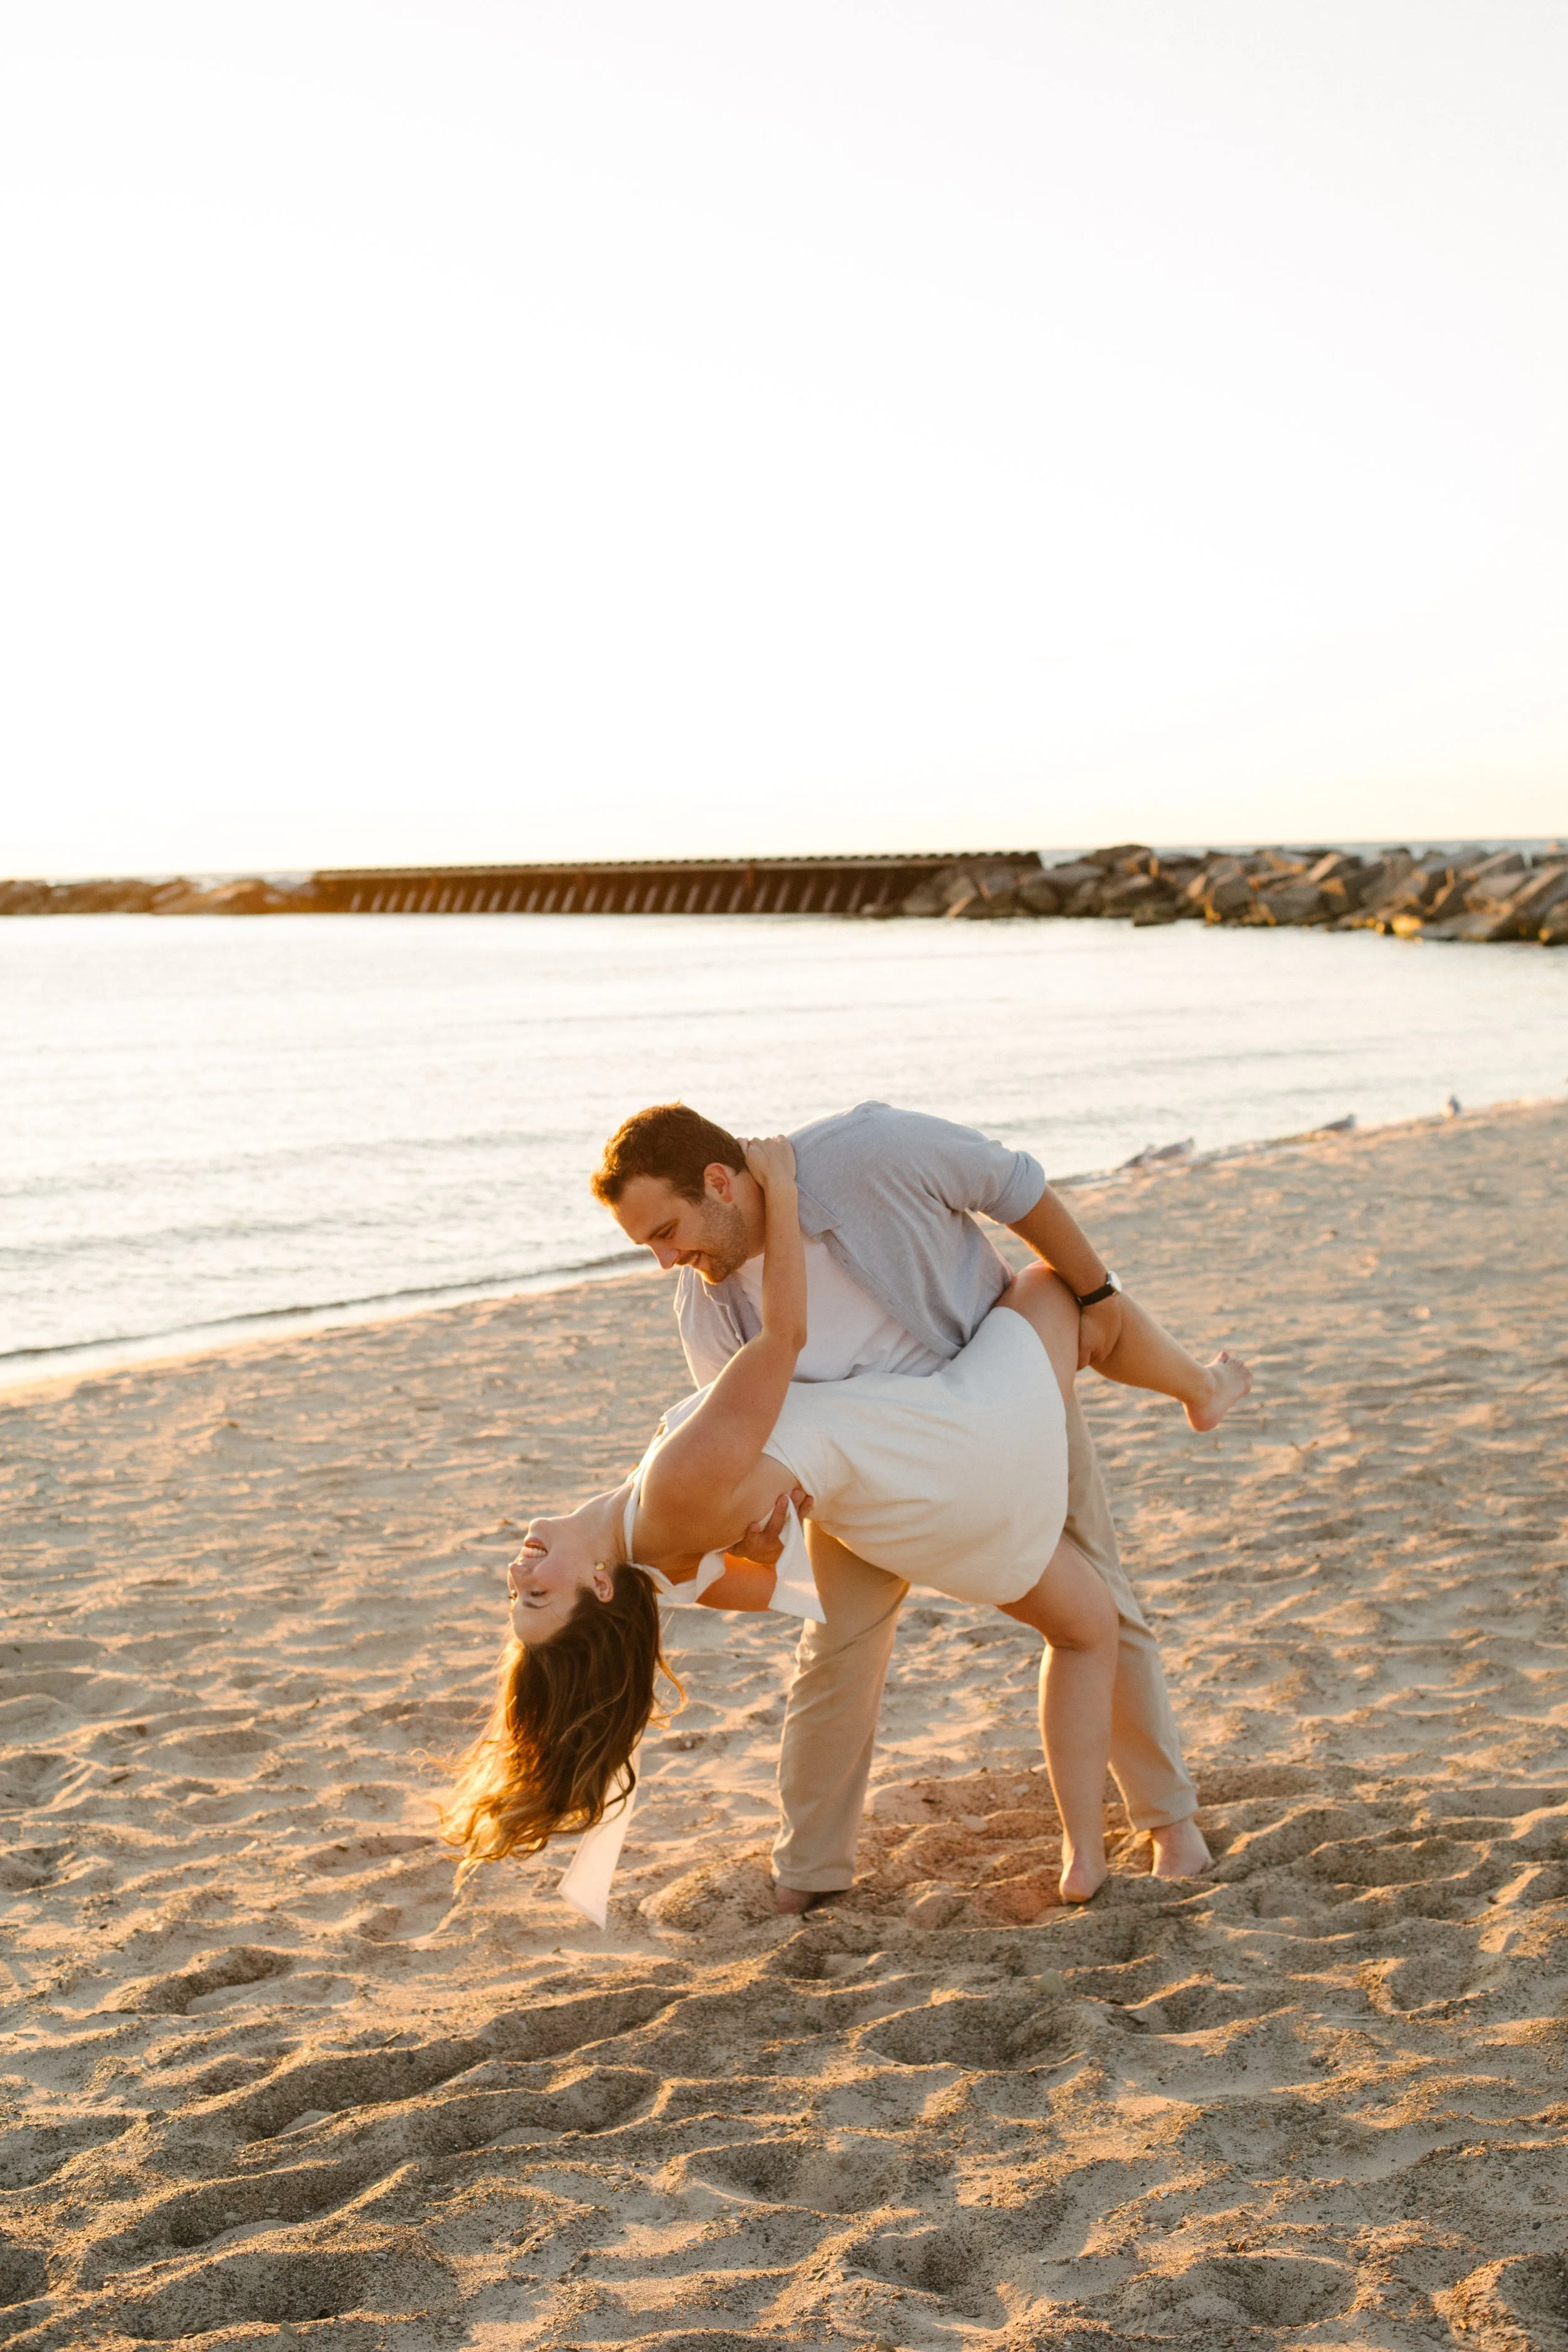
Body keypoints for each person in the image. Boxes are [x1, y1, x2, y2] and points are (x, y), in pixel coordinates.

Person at [445, 1130, 1248, 1905]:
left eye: (666, 1231)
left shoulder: (662, 1566)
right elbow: (781, 1347)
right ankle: (1199, 1390)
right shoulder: (685, 1431)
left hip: (894, 1469)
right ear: (599, 1585)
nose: (515, 1573)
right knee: (1044, 1292)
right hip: (939, 1453)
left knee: (1050, 1621)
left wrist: (763, 1538)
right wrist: (786, 1196)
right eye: (536, 1596)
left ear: (719, 1183)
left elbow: (775, 1581)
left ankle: (1139, 1830)